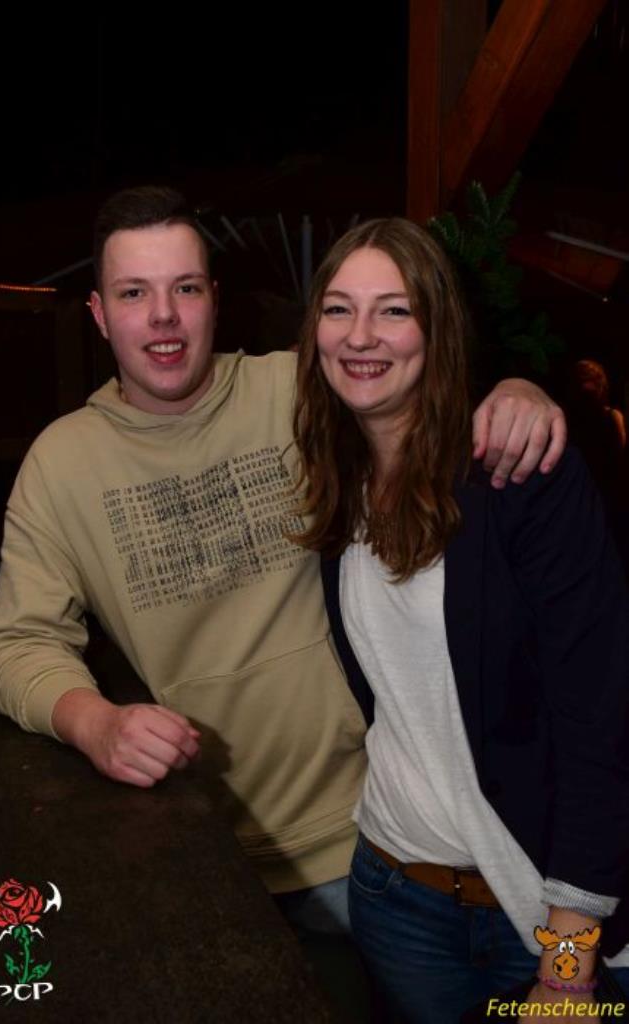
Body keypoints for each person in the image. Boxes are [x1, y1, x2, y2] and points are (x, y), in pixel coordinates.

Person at [0, 186, 565, 954]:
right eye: (134, 293)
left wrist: (515, 391)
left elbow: (421, 402)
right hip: (209, 854)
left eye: (185, 289)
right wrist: (96, 723)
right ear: (98, 313)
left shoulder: (297, 390)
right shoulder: (60, 465)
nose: (163, 316)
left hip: (384, 835)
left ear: (214, 300)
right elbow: (16, 643)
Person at [291, 217, 629, 1023]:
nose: (360, 335)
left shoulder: (517, 475)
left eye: (393, 310)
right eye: (338, 309)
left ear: (437, 327)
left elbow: (601, 725)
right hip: (391, 897)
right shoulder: (340, 478)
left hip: (537, 918)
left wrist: (567, 968)